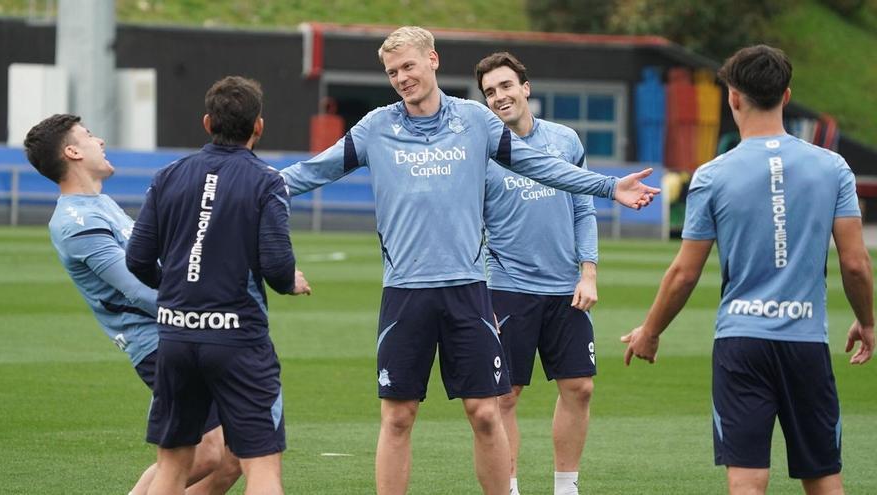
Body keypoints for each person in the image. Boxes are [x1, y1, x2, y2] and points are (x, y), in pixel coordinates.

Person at [280, 26, 659, 495]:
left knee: (485, 412)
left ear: (433, 61)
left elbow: (538, 163)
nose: (402, 78)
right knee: (398, 416)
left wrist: (607, 186)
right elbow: (312, 171)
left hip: (467, 293)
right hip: (404, 294)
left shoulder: (475, 122)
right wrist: (253, 186)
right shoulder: (375, 127)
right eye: (393, 71)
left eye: (409, 66)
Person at [622, 45, 874, 494]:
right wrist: (868, 322)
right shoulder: (832, 167)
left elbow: (684, 273)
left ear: (733, 98)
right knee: (823, 477)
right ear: (787, 94)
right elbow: (855, 264)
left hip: (742, 344)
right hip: (805, 343)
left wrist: (651, 331)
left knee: (747, 481)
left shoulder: (713, 175)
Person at [23, 114, 242, 494]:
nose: (100, 140)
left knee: (232, 458)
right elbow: (136, 290)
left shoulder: (100, 203)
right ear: (72, 151)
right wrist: (205, 317)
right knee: (205, 454)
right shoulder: (76, 221)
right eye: (89, 135)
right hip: (160, 343)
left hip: (181, 333)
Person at [126, 76, 311, 495]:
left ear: (207, 122)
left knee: (171, 466)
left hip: (174, 336)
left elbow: (137, 258)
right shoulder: (267, 181)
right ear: (258, 126)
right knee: (262, 467)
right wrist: (290, 284)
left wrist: (174, 286)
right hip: (238, 341)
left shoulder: (169, 174)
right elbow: (277, 265)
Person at [476, 51, 597, 495]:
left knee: (580, 387)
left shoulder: (565, 141)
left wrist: (589, 273)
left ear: (525, 88)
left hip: (567, 288)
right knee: (505, 395)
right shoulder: (483, 153)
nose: (499, 96)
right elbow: (469, 223)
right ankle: (508, 487)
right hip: (508, 289)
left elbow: (584, 209)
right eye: (490, 92)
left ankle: (566, 487)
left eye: (506, 86)